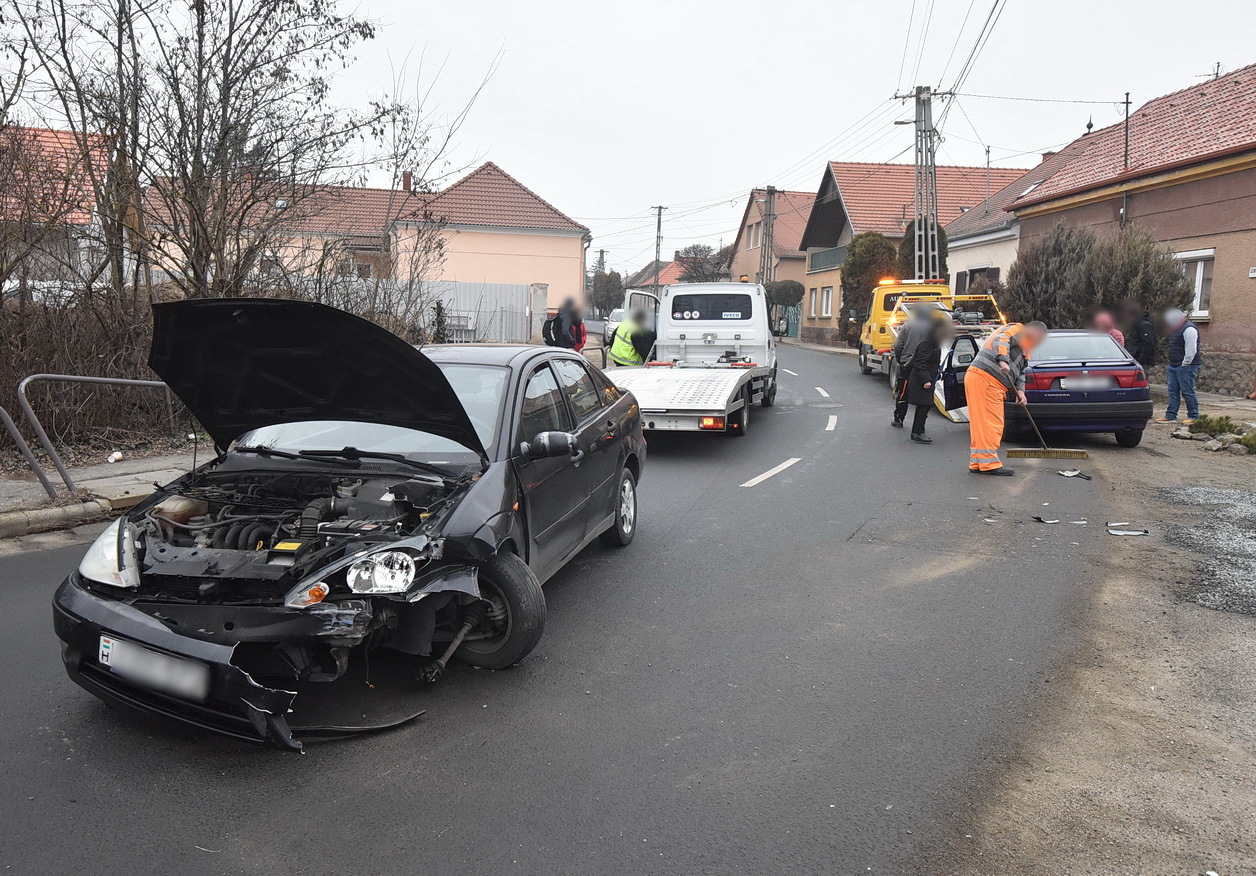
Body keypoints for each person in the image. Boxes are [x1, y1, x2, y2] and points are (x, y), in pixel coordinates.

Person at [965, 320, 1049, 476]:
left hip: (980, 378)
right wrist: (1003, 360)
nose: (1040, 342)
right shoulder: (1018, 329)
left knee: (981, 424)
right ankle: (989, 463)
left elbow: (1021, 372)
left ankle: (978, 461)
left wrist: (1020, 392)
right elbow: (1001, 339)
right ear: (1036, 332)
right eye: (1041, 339)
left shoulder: (1025, 345)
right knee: (992, 423)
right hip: (987, 379)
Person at [904, 319, 955, 444]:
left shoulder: (934, 345)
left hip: (927, 379)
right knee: (924, 405)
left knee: (924, 405)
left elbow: (930, 362)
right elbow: (920, 363)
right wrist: (926, 380)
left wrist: (937, 370)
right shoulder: (926, 345)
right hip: (921, 381)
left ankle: (919, 430)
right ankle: (917, 433)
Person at [890, 303, 940, 428]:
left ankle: (899, 418)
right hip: (926, 367)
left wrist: (899, 360)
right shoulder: (933, 327)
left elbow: (898, 346)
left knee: (903, 393)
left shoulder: (907, 326)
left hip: (908, 364)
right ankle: (919, 425)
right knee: (924, 396)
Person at [1156, 307, 1202, 424]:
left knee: (1187, 391)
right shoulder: (1176, 329)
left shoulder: (1189, 329)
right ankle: (1171, 415)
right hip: (1174, 365)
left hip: (1186, 366)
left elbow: (1191, 350)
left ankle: (1193, 416)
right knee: (1173, 391)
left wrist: (1185, 364)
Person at [1123, 301, 1157, 368]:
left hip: (1143, 362)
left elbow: (1149, 343)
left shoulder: (1144, 325)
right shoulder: (1136, 325)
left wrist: (1141, 359)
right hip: (1136, 359)